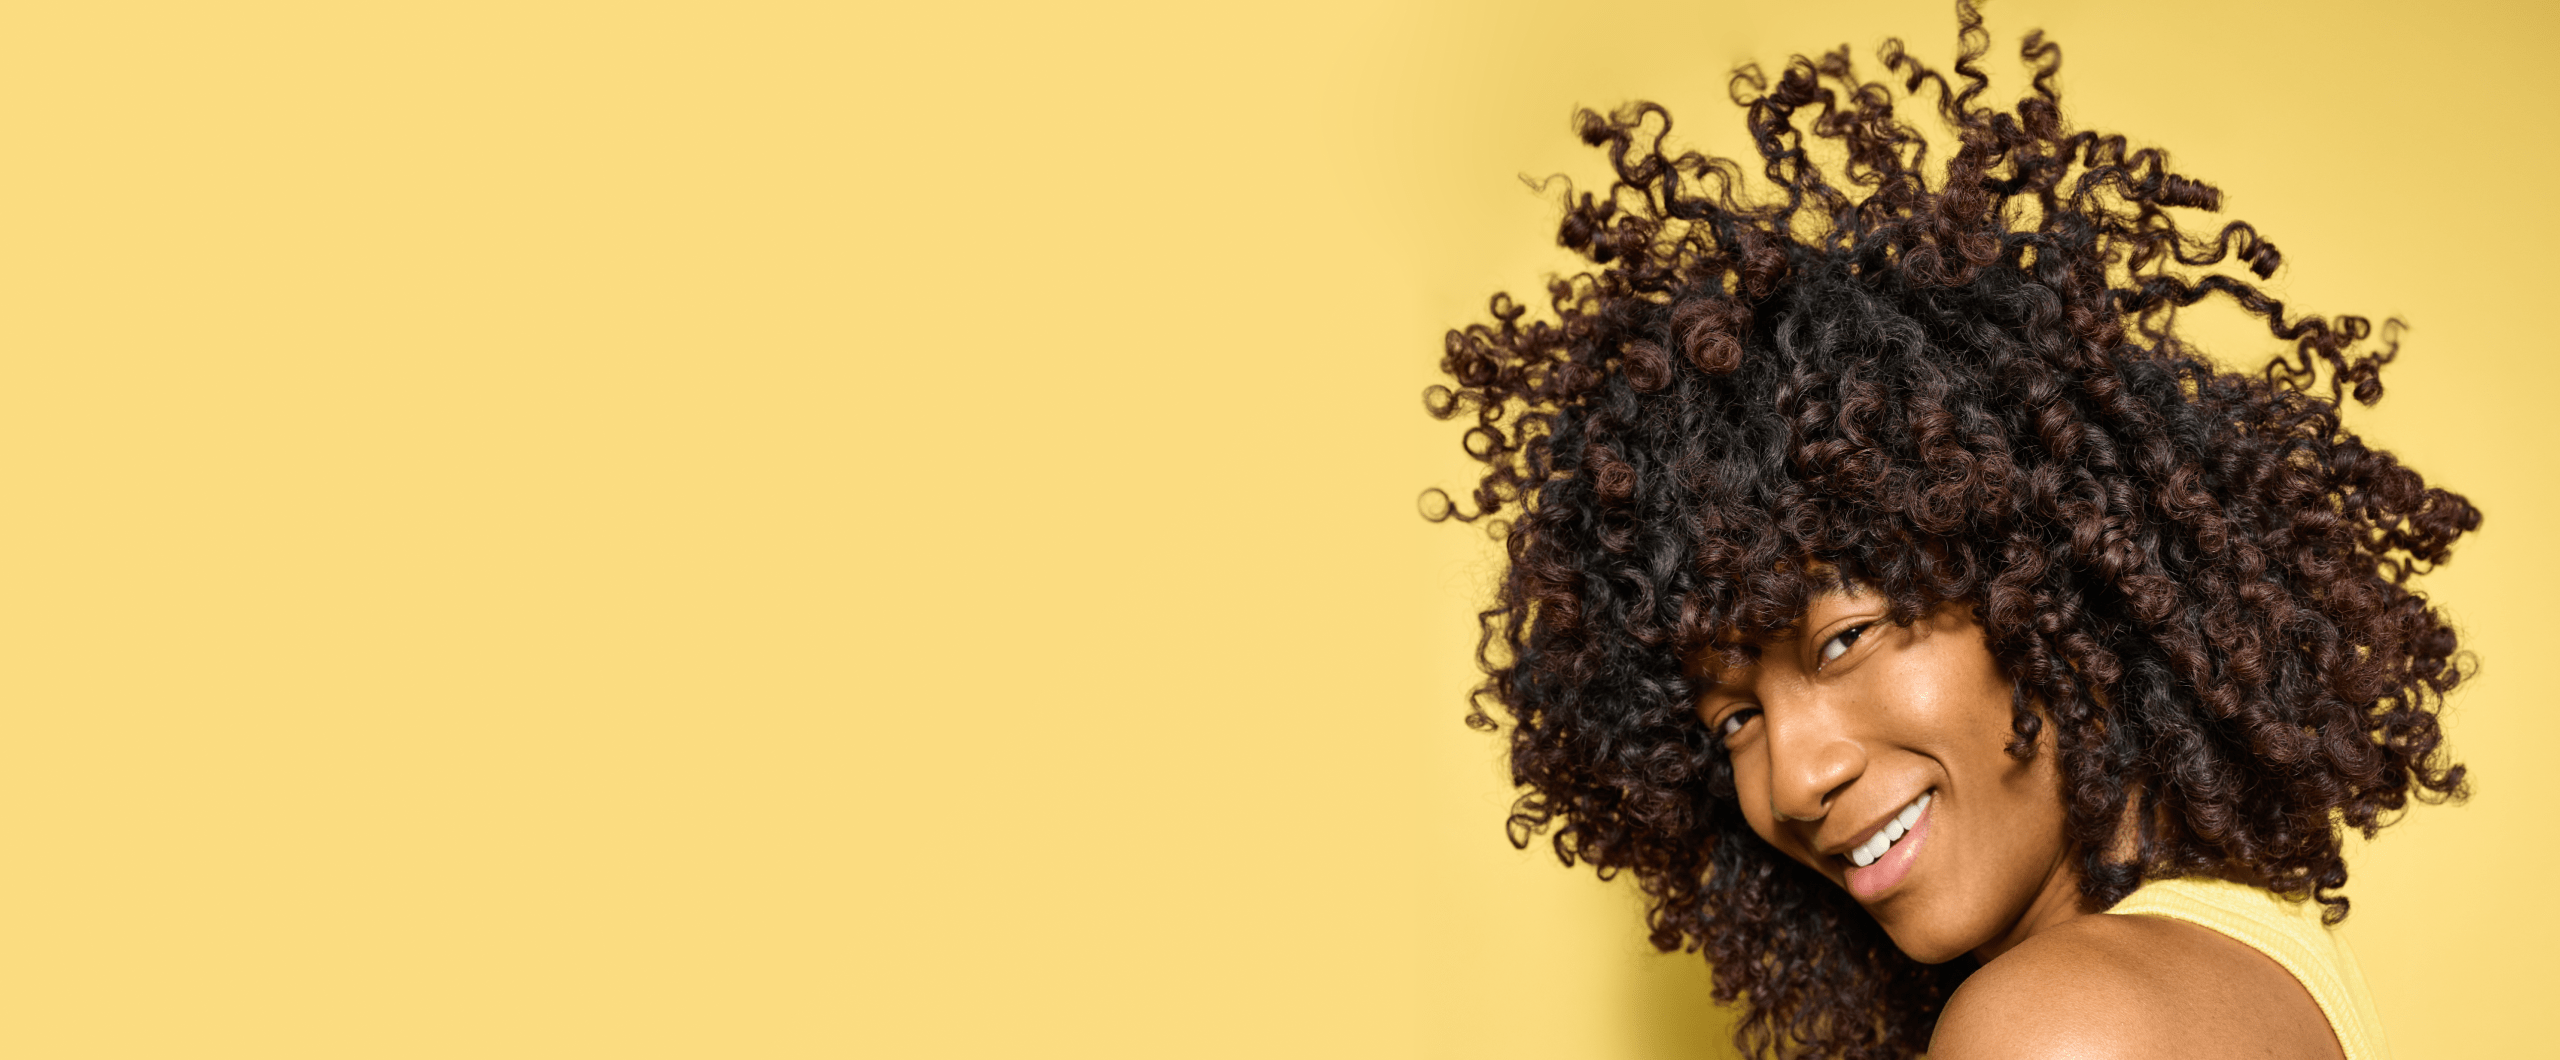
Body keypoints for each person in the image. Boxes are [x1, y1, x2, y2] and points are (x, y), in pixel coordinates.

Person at [1422, 4, 2475, 1058]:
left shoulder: (2059, 1027)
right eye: (1731, 721)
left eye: (1843, 639)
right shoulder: (2243, 959)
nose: (1792, 780)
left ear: (2053, 580)